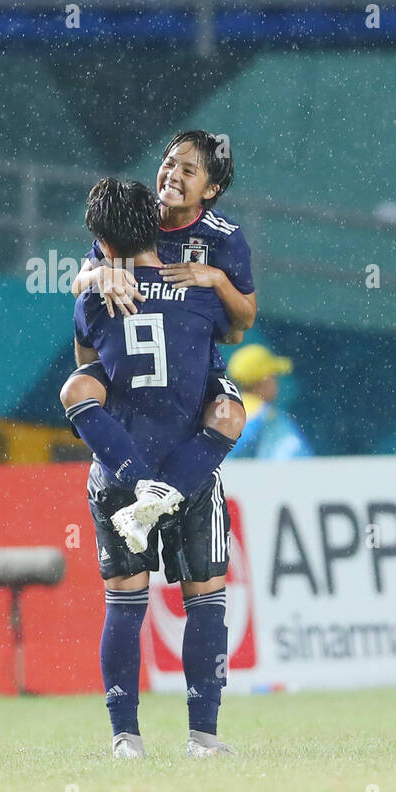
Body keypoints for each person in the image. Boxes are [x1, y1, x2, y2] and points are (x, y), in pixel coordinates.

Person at [67, 178, 242, 760]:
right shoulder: (199, 292)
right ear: (157, 223)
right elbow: (233, 331)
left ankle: (126, 739)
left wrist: (95, 277)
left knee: (124, 602)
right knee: (206, 598)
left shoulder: (94, 298)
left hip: (119, 468)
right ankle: (204, 738)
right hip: (190, 463)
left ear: (98, 239)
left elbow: (89, 365)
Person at [63, 130, 256, 467]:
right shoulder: (137, 215)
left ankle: (173, 486)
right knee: (79, 387)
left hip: (190, 365)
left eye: (188, 171)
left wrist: (218, 279)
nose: (172, 176)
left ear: (210, 190)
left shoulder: (223, 237)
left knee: (227, 415)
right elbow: (79, 284)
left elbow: (245, 321)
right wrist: (99, 274)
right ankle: (122, 466)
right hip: (129, 362)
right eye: (169, 164)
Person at [227, 344, 314, 459]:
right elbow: (294, 458)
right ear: (264, 380)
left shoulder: (225, 413)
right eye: (274, 376)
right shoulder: (269, 416)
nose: (277, 382)